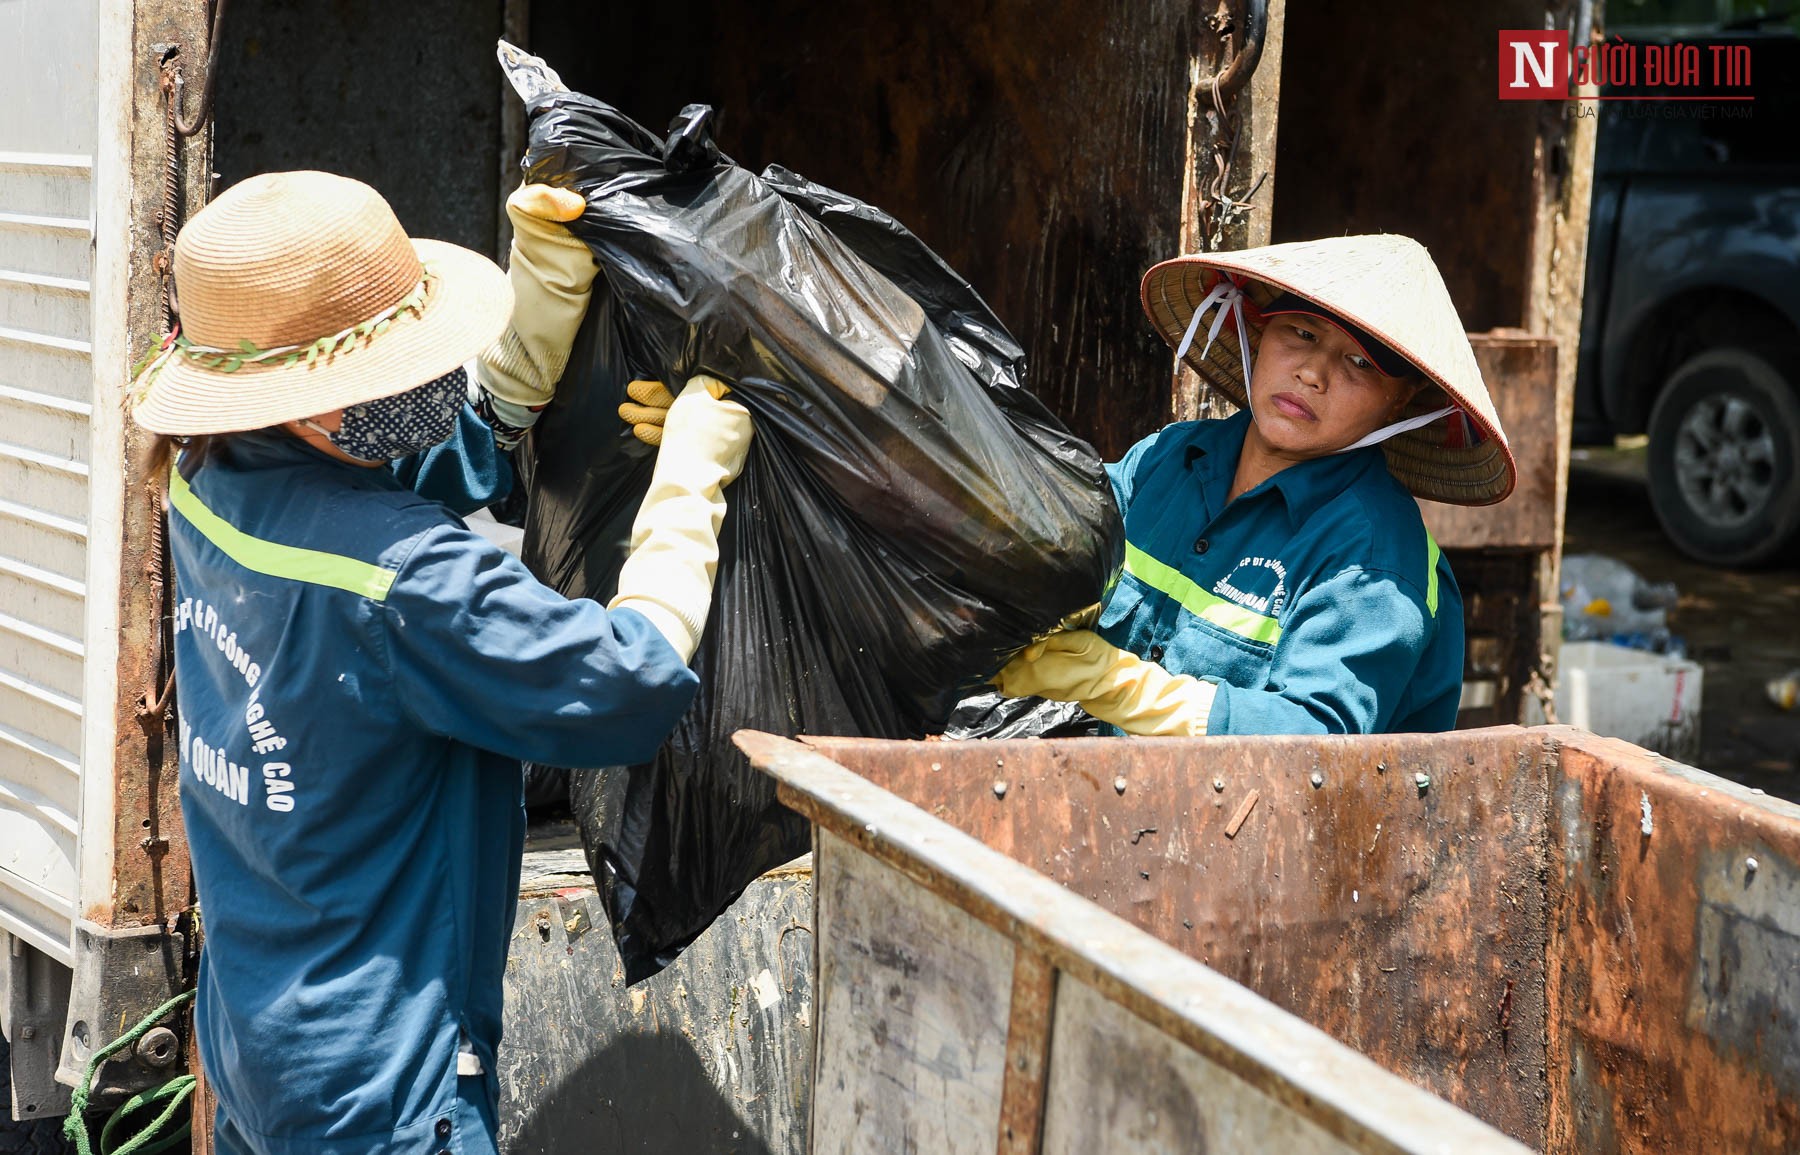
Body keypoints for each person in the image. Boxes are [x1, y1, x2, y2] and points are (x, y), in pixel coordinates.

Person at [129, 170, 749, 1155]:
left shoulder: (207, 486)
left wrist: (533, 322)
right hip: (388, 1094)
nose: (418, 386)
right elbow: (628, 685)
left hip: (258, 1045)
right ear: (312, 404)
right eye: (394, 366)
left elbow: (388, 461)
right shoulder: (408, 582)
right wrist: (688, 485)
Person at [993, 235, 1515, 736]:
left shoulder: (1378, 564)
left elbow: (1315, 745)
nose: (1313, 373)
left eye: (1360, 363)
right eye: (1302, 334)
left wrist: (1118, 687)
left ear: (1399, 404)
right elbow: (1056, 544)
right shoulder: (1169, 459)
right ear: (1260, 332)